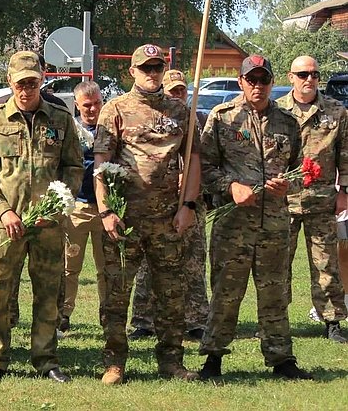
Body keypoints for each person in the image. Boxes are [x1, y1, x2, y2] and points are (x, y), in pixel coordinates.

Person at [0, 51, 83, 383]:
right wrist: (4, 210)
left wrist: (58, 205)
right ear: (10, 82)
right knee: (0, 292)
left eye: (32, 83)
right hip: (6, 224)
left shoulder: (61, 119)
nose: (26, 90)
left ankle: (45, 358)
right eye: (20, 84)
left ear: (42, 81)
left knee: (49, 291)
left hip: (47, 224)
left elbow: (74, 167)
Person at [198, 55, 312, 380]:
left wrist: (288, 185)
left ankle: (281, 360)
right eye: (252, 80)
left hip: (275, 224)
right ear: (241, 82)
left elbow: (303, 170)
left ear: (272, 82)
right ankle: (213, 359)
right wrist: (230, 186)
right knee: (225, 292)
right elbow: (205, 166)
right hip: (233, 224)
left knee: (275, 292)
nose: (258, 86)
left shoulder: (288, 123)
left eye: (264, 80)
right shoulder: (223, 118)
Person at [93, 44, 201, 385]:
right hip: (125, 220)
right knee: (116, 294)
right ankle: (115, 362)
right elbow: (100, 164)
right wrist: (107, 210)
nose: (152, 73)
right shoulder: (115, 109)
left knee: (171, 294)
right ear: (133, 72)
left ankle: (171, 362)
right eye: (145, 68)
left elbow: (193, 160)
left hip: (168, 220)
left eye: (157, 67)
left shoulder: (181, 110)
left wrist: (189, 206)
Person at [129, 69, 209, 341]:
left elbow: (202, 160)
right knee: (148, 264)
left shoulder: (196, 118)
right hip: (157, 204)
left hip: (190, 202)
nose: (177, 94)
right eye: (171, 89)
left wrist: (189, 191)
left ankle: (196, 318)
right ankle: (144, 319)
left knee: (194, 262)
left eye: (181, 90)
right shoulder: (157, 117)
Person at [276, 55, 347, 343]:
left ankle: (332, 321)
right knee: (278, 262)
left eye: (315, 74)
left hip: (322, 198)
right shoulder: (277, 110)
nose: (309, 79)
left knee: (326, 262)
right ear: (290, 76)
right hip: (284, 199)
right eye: (303, 74)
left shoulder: (336, 111)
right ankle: (275, 319)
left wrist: (344, 192)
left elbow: (346, 153)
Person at [59, 81, 105, 333]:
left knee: (105, 267)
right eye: (87, 105)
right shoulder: (71, 129)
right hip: (77, 206)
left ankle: (107, 313)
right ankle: (64, 314)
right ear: (76, 105)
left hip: (105, 207)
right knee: (70, 265)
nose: (93, 109)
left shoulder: (110, 128)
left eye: (97, 103)